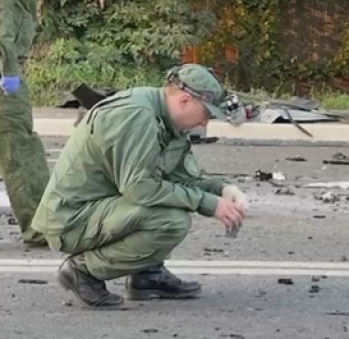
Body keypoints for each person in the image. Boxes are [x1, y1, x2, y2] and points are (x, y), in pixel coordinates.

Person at [32, 64, 249, 308]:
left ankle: (147, 275)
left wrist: (223, 190)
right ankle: (82, 271)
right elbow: (140, 188)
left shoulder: (168, 120)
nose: (204, 123)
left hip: (101, 209)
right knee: (170, 221)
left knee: (171, 203)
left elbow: (181, 178)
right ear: (185, 100)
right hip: (71, 220)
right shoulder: (137, 116)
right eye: (206, 113)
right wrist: (208, 204)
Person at [0, 0, 75, 246]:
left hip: (7, 65)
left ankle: (40, 223)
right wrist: (4, 73)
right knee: (18, 137)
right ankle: (40, 226)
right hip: (3, 70)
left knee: (15, 137)